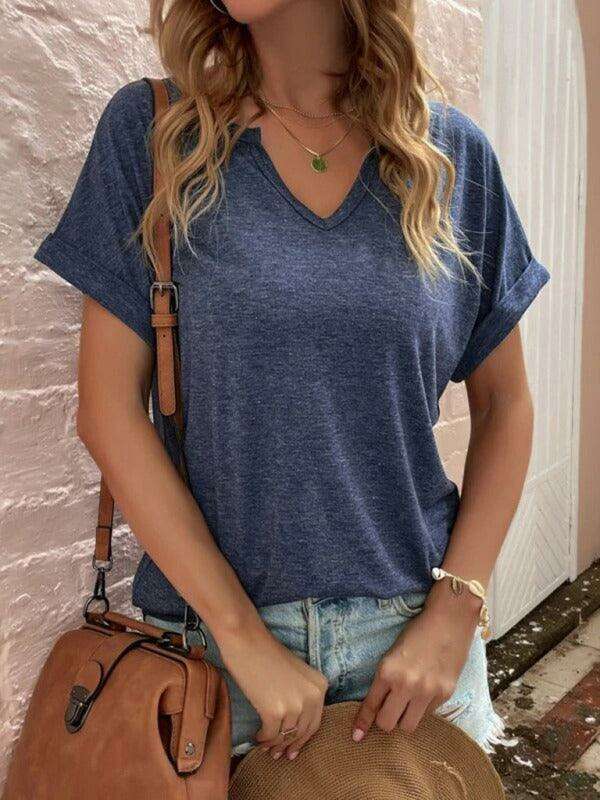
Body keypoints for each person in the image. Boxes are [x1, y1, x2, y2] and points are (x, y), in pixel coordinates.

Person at [33, 0, 550, 767]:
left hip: (412, 653)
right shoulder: (156, 136)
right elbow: (108, 411)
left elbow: (505, 403)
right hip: (214, 662)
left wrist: (454, 610)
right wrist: (242, 637)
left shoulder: (450, 158)